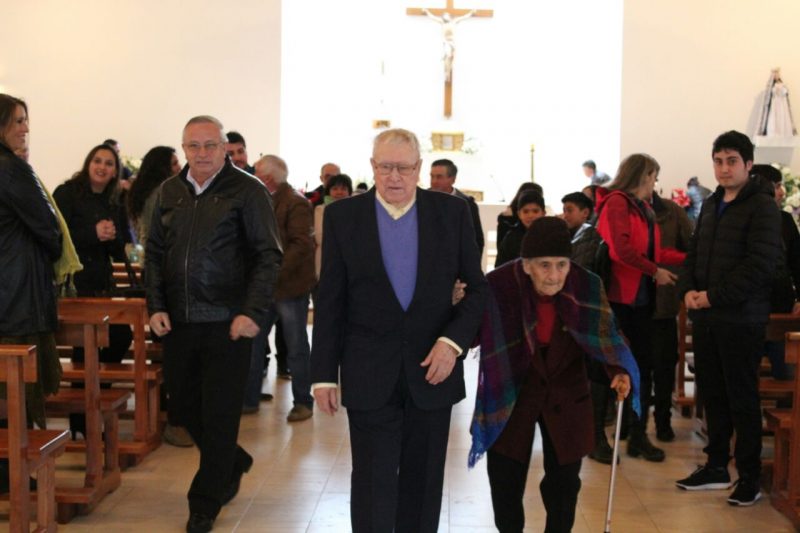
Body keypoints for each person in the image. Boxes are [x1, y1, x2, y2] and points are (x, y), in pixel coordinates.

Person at [311, 128, 487, 532]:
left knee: (423, 483)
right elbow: (331, 299)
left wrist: (452, 343)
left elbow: (477, 289)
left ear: (419, 169)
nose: (394, 177)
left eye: (403, 168)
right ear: (372, 166)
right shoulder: (343, 216)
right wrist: (322, 374)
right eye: (385, 167)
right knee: (372, 480)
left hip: (433, 369)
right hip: (368, 368)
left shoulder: (452, 213)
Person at [145, 115, 282, 532]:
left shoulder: (247, 190)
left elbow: (267, 254)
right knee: (184, 404)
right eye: (193, 146)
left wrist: (251, 311)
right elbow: (153, 253)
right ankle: (234, 460)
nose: (201, 154)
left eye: (210, 145)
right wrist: (155, 305)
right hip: (180, 320)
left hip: (228, 321)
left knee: (220, 413)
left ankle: (204, 502)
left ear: (225, 147)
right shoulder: (169, 192)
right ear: (183, 149)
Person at [469, 216, 636, 532]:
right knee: (506, 480)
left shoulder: (585, 285)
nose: (554, 275)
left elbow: (607, 334)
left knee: (564, 483)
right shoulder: (500, 285)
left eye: (562, 264)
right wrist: (456, 305)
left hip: (566, 391)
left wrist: (618, 370)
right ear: (526, 263)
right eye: (544, 265)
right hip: (513, 390)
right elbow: (474, 333)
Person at [676, 131, 781, 507]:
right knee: (713, 394)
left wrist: (712, 297)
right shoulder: (711, 203)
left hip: (741, 318)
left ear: (748, 165)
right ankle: (716, 466)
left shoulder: (762, 207)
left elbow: (760, 266)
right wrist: (687, 289)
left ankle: (749, 476)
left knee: (741, 399)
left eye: (732, 161)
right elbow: (694, 253)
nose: (723, 168)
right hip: (706, 317)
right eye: (718, 161)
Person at [595, 153, 684, 463]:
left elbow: (655, 252)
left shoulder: (644, 208)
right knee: (612, 368)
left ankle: (637, 435)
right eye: (653, 177)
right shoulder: (616, 203)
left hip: (642, 300)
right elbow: (621, 251)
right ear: (642, 176)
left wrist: (693, 257)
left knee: (641, 368)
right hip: (618, 299)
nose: (655, 184)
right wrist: (654, 271)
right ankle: (598, 439)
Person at [0, 94, 71, 442]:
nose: (26, 128)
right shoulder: (11, 168)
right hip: (16, 299)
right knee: (17, 399)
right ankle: (13, 477)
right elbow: (49, 228)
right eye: (18, 120)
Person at [54, 144, 135, 437]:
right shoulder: (68, 193)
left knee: (120, 335)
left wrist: (113, 237)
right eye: (98, 161)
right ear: (88, 163)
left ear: (116, 171)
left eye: (109, 163)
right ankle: (82, 422)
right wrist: (92, 233)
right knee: (83, 350)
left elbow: (117, 249)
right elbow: (55, 236)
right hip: (76, 286)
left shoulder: (114, 200)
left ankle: (98, 396)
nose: (102, 167)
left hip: (101, 286)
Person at [248, 155, 316, 421]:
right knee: (253, 343)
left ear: (268, 178)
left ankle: (303, 402)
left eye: (256, 173)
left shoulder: (296, 203)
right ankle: (249, 398)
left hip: (290, 287)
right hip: (263, 288)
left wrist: (271, 272)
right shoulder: (260, 200)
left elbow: (301, 245)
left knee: (296, 346)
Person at [650, 192, 692, 442]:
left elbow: (690, 248)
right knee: (635, 368)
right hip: (631, 303)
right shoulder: (622, 209)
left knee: (665, 366)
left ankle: (663, 422)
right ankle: (633, 426)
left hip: (665, 301)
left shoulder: (672, 212)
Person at [127, 146, 181, 249]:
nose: (179, 167)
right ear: (162, 168)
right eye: (174, 164)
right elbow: (151, 233)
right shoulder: (158, 194)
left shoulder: (150, 192)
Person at [429, 158, 484, 253]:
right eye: (432, 176)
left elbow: (476, 239)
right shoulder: (422, 199)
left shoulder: (466, 204)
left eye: (439, 177)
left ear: (453, 179)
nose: (434, 181)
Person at [314, 173, 353, 278]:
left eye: (343, 189)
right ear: (328, 191)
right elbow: (320, 238)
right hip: (326, 259)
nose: (339, 192)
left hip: (350, 261)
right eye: (335, 189)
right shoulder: (321, 210)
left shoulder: (355, 210)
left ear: (349, 191)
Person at [421, 8, 476, 82]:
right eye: (443, 16)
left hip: (452, 43)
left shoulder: (454, 22)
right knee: (448, 55)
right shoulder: (442, 22)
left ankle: (449, 71)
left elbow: (464, 17)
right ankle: (447, 73)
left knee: (451, 58)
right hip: (446, 42)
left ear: (449, 16)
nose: (444, 17)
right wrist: (426, 12)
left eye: (446, 15)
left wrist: (471, 13)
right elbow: (432, 17)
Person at [495, 191, 545, 267]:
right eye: (525, 211)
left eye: (535, 211)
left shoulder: (550, 235)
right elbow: (500, 268)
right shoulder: (511, 238)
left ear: (543, 213)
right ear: (519, 214)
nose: (530, 215)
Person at [561, 191, 601, 270]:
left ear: (585, 213)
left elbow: (579, 268)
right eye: (564, 211)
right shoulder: (569, 234)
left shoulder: (592, 236)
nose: (565, 216)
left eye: (569, 210)